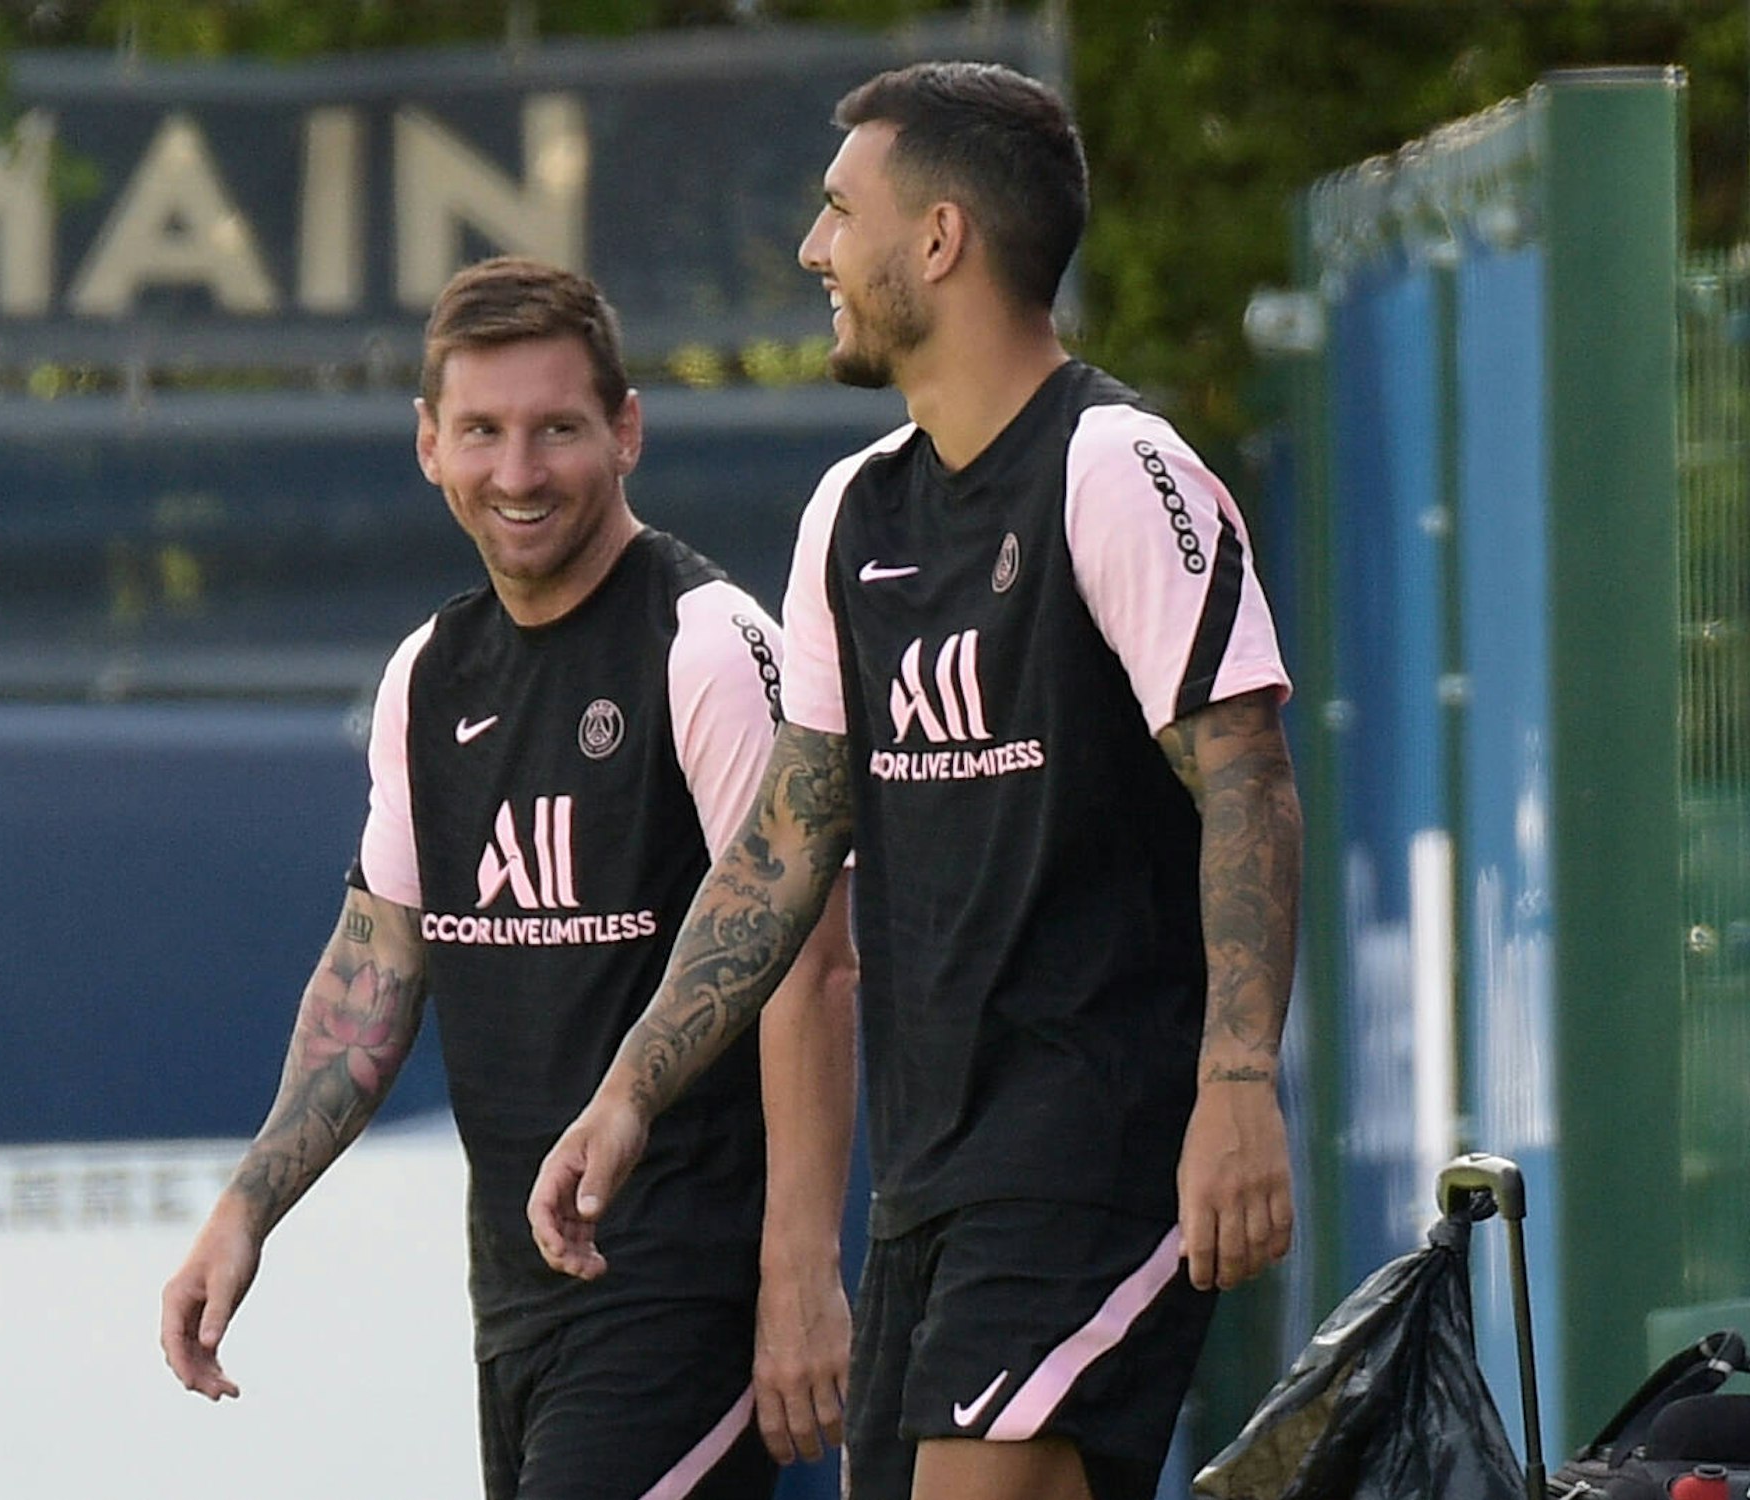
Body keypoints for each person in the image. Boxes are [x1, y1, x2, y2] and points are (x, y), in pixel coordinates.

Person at [529, 61, 1303, 1500]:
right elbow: (782, 849)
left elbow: (1249, 781)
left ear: (939, 241)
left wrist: (1239, 1082)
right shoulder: (852, 513)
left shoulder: (1116, 468)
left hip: (1098, 1144)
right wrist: (630, 1090)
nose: (817, 249)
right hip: (932, 1179)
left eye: (840, 212)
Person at [161, 256, 860, 1500]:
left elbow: (811, 955)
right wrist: (246, 1208)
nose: (518, 474)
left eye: (556, 431)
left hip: (680, 1294)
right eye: (481, 432)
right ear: (427, 444)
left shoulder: (706, 644)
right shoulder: (429, 675)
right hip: (517, 1305)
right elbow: (375, 967)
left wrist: (798, 1270)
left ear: (627, 431)